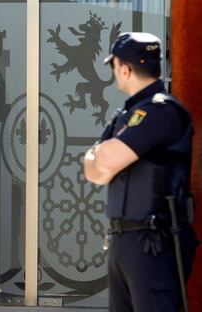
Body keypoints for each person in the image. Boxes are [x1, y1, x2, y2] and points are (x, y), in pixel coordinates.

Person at [83, 32, 199, 312]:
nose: (114, 73)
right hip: (123, 241)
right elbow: (93, 173)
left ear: (124, 68)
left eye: (114, 66)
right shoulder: (125, 115)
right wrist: (101, 159)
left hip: (152, 245)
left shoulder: (161, 111)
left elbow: (104, 162)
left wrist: (99, 155)